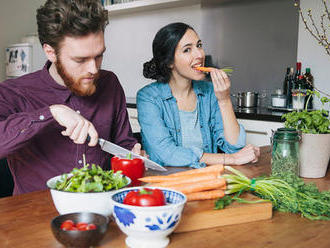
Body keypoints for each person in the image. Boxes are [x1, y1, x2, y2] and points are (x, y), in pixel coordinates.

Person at [0, 0, 141, 195]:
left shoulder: (110, 83)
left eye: (99, 56)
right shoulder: (14, 92)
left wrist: (133, 155)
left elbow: (123, 145)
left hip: (101, 209)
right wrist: (51, 113)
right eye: (80, 60)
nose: (93, 69)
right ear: (51, 52)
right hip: (35, 215)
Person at [137, 22, 260, 168]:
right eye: (187, 50)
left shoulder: (209, 91)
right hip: (167, 183)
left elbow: (234, 147)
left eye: (199, 45)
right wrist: (230, 159)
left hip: (209, 178)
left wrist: (224, 100)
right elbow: (167, 153)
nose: (199, 54)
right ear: (169, 61)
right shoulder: (148, 98)